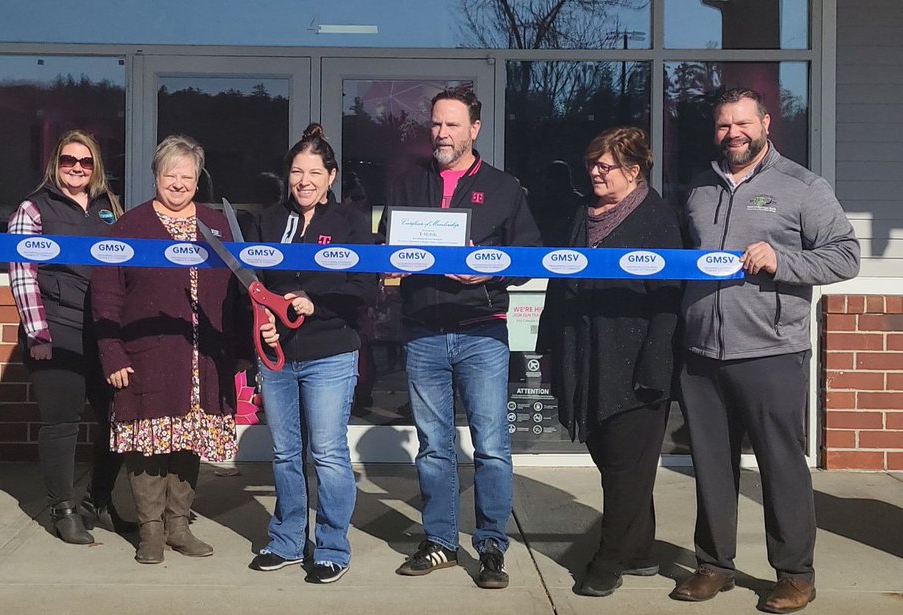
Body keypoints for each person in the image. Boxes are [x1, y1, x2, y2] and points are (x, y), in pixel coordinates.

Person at [670, 88, 859, 613]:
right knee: (709, 464)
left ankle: (795, 573)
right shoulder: (700, 189)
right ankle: (713, 565)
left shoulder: (802, 187)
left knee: (781, 467)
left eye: (743, 124)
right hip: (702, 352)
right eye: (724, 125)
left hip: (771, 350)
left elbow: (845, 256)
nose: (734, 134)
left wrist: (782, 260)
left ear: (765, 123)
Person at [383, 87, 541, 589]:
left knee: (491, 446)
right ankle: (440, 542)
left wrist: (487, 271)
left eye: (452, 125)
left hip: (481, 331)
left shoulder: (504, 188)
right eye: (436, 124)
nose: (442, 134)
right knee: (433, 446)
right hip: (424, 331)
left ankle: (492, 545)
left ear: (475, 129)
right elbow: (388, 252)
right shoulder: (409, 185)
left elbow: (527, 259)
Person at [538, 126, 683, 597]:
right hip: (583, 353)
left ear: (634, 170)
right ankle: (639, 549)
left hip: (636, 359)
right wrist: (548, 342)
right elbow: (559, 280)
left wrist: (656, 359)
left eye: (606, 166)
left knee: (626, 468)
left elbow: (669, 298)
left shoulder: (658, 218)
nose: (595, 172)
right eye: (592, 164)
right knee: (611, 460)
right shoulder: (582, 213)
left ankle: (608, 561)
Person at [92, 134, 242, 565]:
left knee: (188, 440)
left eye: (187, 175)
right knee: (149, 444)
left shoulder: (218, 224)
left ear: (199, 178)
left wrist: (241, 351)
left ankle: (179, 525)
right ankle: (151, 530)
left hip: (203, 356)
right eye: (169, 174)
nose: (178, 183)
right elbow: (105, 295)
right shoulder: (129, 226)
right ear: (155, 176)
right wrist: (112, 354)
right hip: (147, 355)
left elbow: (238, 292)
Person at [247, 124, 376, 584]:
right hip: (277, 351)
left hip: (329, 351)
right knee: (284, 452)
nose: (304, 180)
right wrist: (261, 315)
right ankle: (285, 539)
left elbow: (364, 288)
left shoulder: (350, 223)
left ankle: (332, 546)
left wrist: (314, 303)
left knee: (327, 453)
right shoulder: (266, 220)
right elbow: (253, 283)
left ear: (331, 176)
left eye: (315, 172)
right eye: (297, 171)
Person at [7, 130, 133, 545]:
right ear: (54, 163)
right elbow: (21, 273)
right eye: (67, 160)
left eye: (85, 162)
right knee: (62, 423)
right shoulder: (33, 208)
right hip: (56, 327)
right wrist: (37, 333)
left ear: (95, 166)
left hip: (104, 330)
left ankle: (97, 501)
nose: (76, 168)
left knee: (118, 418)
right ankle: (62, 509)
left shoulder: (110, 207)